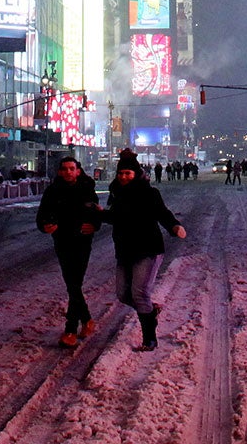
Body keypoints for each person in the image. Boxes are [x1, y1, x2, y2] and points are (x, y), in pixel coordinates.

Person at [101, 149, 185, 350]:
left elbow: (162, 213)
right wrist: (98, 214)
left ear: (135, 174)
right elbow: (114, 218)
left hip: (148, 249)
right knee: (123, 294)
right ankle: (149, 312)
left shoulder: (149, 193)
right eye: (121, 174)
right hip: (125, 250)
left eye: (127, 174)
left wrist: (174, 226)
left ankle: (149, 337)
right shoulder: (116, 194)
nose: (123, 177)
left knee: (140, 294)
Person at [36, 155, 102, 347]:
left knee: (74, 284)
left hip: (82, 240)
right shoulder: (53, 191)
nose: (68, 172)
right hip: (62, 240)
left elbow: (96, 212)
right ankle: (87, 320)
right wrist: (45, 225)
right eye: (64, 169)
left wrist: (95, 225)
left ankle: (71, 330)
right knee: (72, 284)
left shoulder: (87, 189)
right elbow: (42, 215)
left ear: (78, 171)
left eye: (71, 169)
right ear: (60, 171)